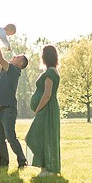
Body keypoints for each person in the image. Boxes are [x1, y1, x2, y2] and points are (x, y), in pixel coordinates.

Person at [0, 33, 28, 169]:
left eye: (17, 57)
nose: (14, 56)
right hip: (1, 110)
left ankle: (22, 161)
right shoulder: (6, 69)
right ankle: (3, 164)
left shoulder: (13, 70)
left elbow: (0, 58)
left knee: (11, 137)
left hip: (8, 110)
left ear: (20, 63)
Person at [25, 45, 61, 176]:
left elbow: (47, 94)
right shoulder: (52, 71)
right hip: (48, 108)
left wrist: (38, 109)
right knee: (44, 137)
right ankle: (45, 168)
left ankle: (47, 168)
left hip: (47, 109)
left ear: (45, 57)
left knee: (34, 137)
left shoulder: (50, 73)